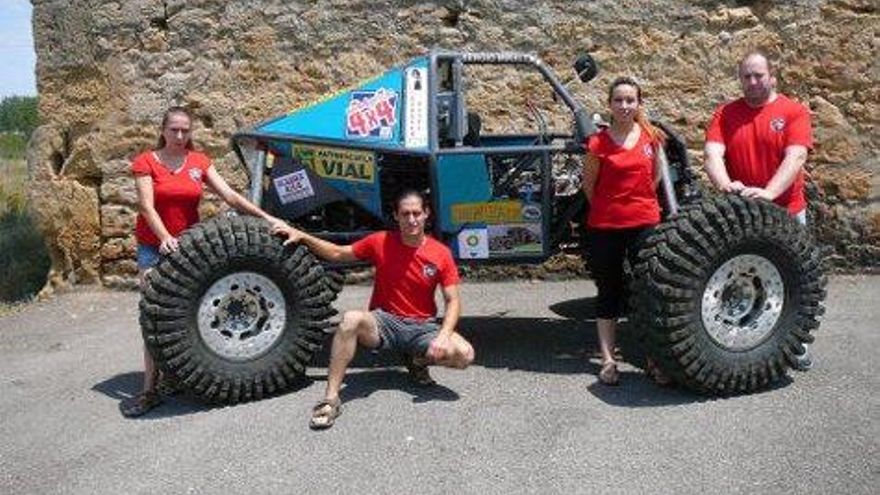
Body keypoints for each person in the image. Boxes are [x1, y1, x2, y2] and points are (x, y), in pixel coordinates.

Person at [120, 106, 286, 417]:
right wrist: (165, 237)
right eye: (174, 130)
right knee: (155, 315)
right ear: (163, 130)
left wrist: (268, 218)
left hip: (190, 249)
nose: (180, 136)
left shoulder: (198, 162)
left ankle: (175, 376)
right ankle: (149, 389)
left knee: (186, 313)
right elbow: (146, 205)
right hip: (155, 247)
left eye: (185, 131)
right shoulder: (146, 162)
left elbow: (231, 197)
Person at [272, 189, 475, 430]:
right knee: (350, 320)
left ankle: (417, 358)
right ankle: (330, 399)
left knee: (465, 355)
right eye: (405, 214)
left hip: (423, 328)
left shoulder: (440, 253)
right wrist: (302, 236)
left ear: (426, 215)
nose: (411, 219)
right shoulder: (380, 241)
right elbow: (338, 253)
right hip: (385, 323)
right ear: (396, 216)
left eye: (417, 213)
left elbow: (453, 301)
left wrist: (442, 337)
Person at [703, 50, 814, 369]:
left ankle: (799, 342)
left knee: (797, 280)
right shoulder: (726, 113)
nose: (752, 82)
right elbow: (712, 154)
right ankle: (754, 345)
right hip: (742, 214)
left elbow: (795, 158)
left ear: (772, 76)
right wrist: (725, 185)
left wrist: (768, 193)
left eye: (758, 76)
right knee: (749, 276)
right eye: (746, 76)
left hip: (786, 211)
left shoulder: (793, 112)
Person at [582, 76, 669, 386]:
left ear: (638, 104)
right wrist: (610, 208)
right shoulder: (597, 144)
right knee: (609, 291)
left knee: (649, 292)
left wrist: (638, 205)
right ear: (609, 105)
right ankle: (607, 360)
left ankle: (654, 358)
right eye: (618, 100)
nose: (624, 105)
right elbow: (589, 186)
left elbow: (655, 179)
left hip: (645, 223)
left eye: (630, 100)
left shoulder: (652, 138)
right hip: (605, 227)